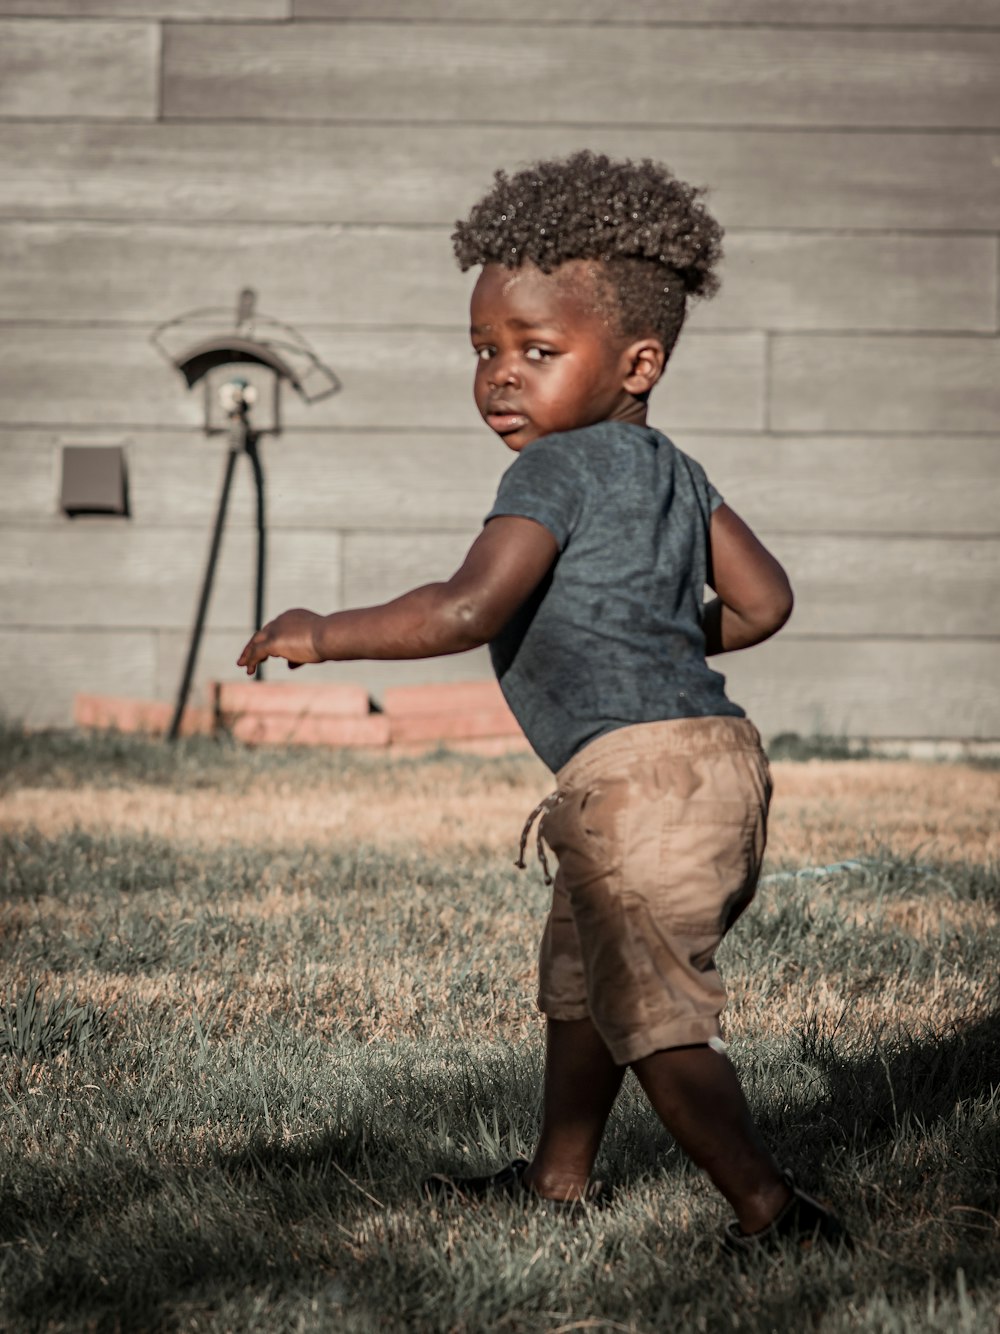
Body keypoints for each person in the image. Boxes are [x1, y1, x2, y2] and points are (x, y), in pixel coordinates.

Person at [237, 151, 848, 1253]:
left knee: (653, 1012)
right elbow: (763, 603)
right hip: (712, 757)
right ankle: (555, 1180)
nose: (500, 374)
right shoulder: (675, 470)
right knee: (582, 984)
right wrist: (656, 635)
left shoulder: (552, 472)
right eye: (484, 349)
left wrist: (322, 633)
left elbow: (468, 607)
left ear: (636, 359)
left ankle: (773, 1209)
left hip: (641, 778)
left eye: (537, 349)